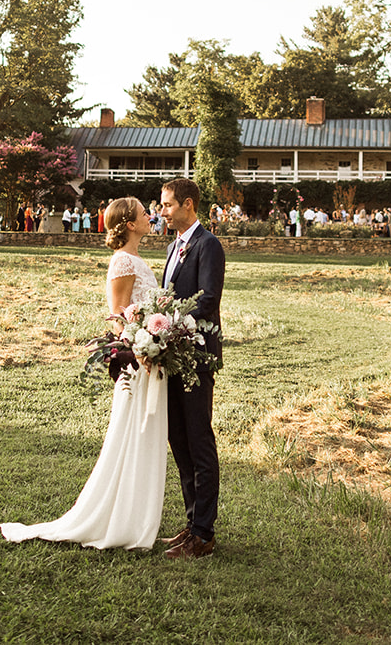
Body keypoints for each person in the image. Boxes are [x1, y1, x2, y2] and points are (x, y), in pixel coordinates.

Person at [0, 197, 168, 550]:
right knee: (130, 433)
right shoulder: (123, 261)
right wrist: (142, 344)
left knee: (145, 434)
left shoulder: (136, 259)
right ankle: (115, 517)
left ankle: (135, 515)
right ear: (130, 223)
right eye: (143, 213)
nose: (149, 216)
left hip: (152, 359)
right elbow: (118, 315)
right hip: (138, 360)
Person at [157, 177, 224, 559]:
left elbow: (208, 301)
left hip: (196, 356)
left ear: (187, 205)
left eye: (167, 206)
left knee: (198, 441)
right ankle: (190, 523)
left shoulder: (208, 245)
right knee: (178, 439)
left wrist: (169, 327)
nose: (161, 212)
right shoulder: (173, 247)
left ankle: (204, 533)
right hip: (171, 357)